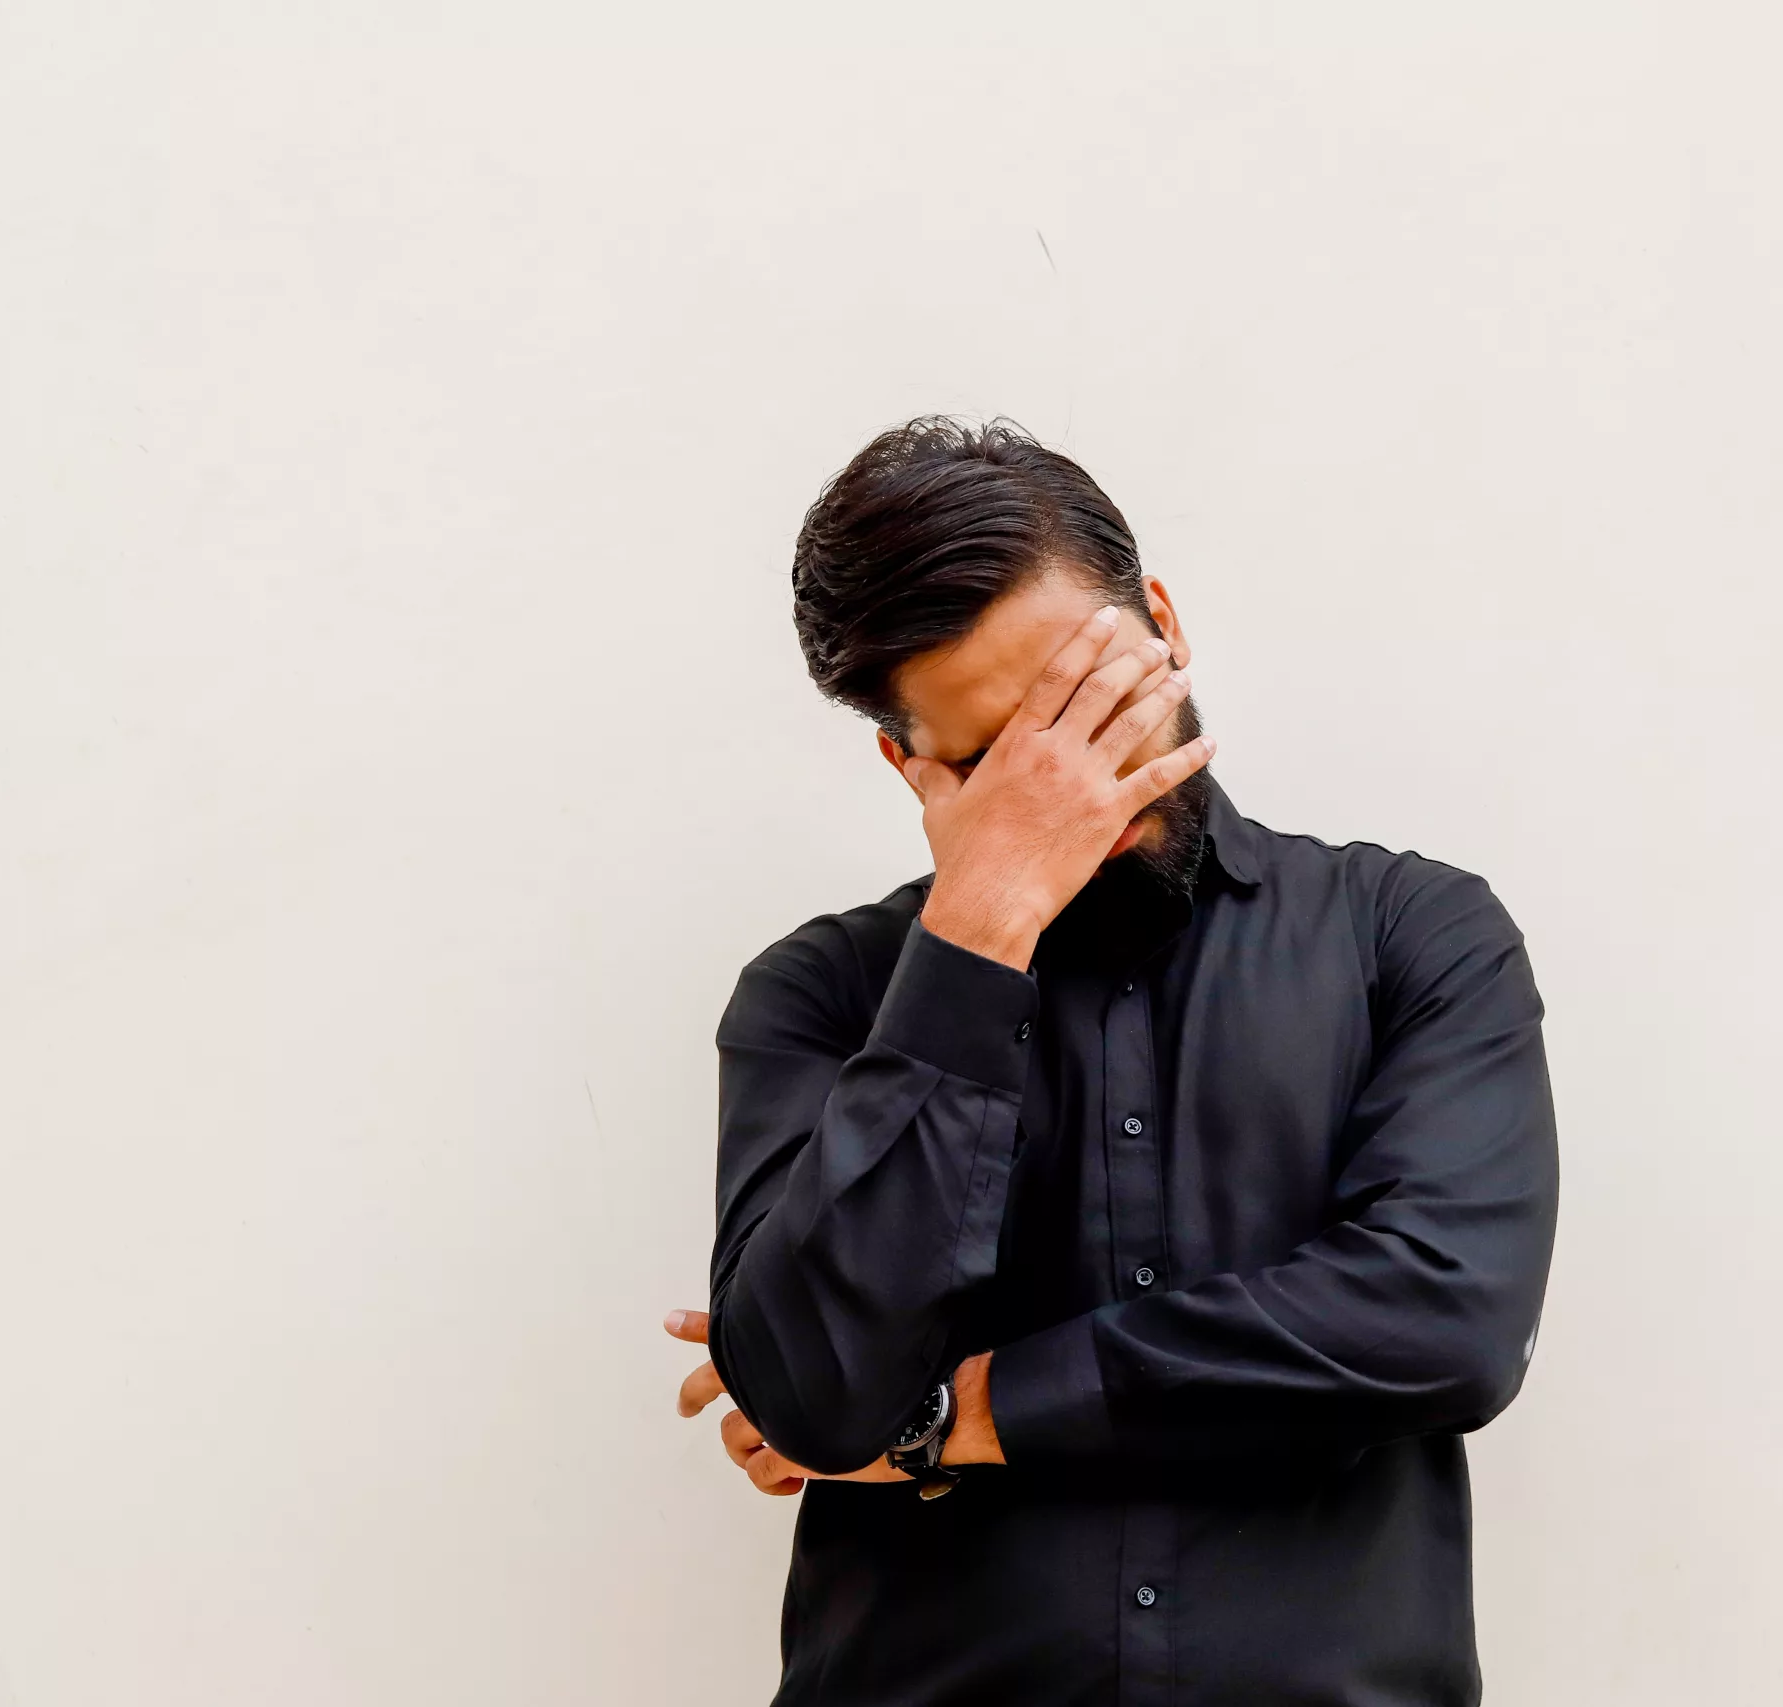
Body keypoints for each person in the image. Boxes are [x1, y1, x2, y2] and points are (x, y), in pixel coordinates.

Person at [660, 417, 1559, 1706]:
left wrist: (953, 1420)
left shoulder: (1412, 937)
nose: (1075, 788)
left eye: (1088, 707)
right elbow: (811, 1398)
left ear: (1164, 622)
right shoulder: (821, 994)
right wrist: (979, 926)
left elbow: (1442, 1323)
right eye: (994, 764)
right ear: (904, 763)